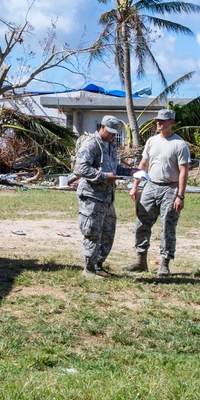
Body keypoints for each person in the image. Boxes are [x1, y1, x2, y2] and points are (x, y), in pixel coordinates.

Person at [126, 109, 191, 277]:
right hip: (150, 186)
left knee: (167, 226)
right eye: (157, 120)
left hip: (170, 188)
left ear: (171, 122)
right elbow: (143, 164)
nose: (159, 123)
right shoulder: (152, 141)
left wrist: (180, 195)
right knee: (141, 223)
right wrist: (135, 185)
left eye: (163, 120)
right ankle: (141, 260)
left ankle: (164, 263)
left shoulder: (179, 144)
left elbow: (184, 171)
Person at [75, 115, 136, 278]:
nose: (111, 135)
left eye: (113, 133)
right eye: (109, 132)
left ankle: (98, 264)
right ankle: (88, 268)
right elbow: (81, 168)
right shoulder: (91, 144)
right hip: (92, 196)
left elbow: (114, 168)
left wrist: (129, 172)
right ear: (102, 127)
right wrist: (104, 176)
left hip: (107, 197)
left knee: (108, 232)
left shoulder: (110, 145)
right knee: (92, 232)